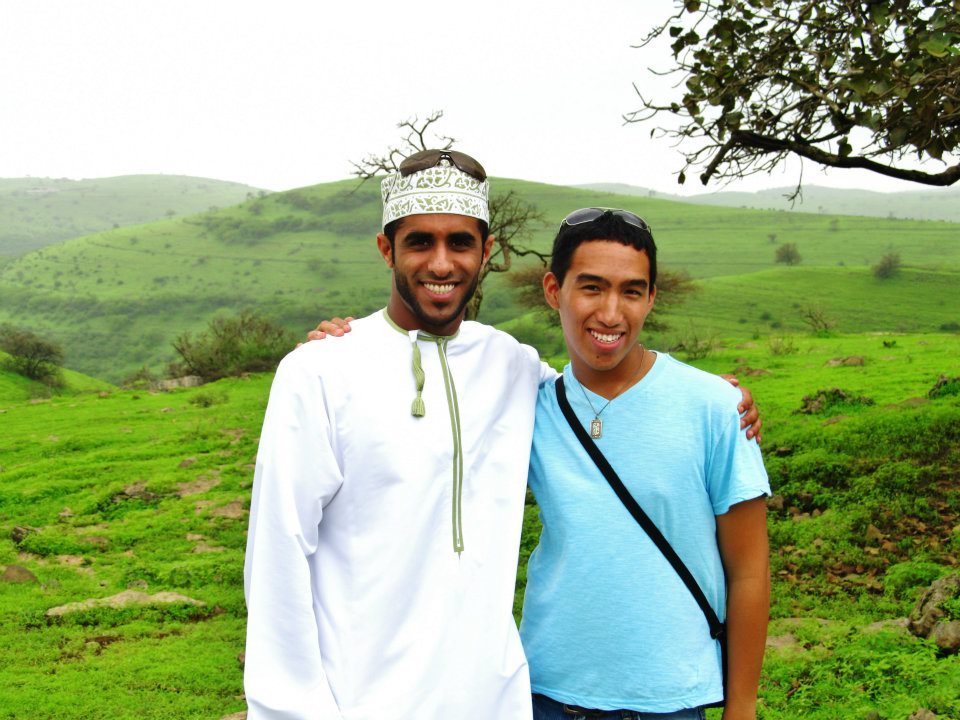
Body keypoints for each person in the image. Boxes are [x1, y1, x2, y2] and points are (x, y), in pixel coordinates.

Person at [247, 150, 761, 720]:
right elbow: (278, 555)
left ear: (486, 253)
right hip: (359, 700)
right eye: (419, 242)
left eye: (460, 243)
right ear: (386, 249)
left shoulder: (512, 367)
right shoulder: (321, 372)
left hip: (494, 700)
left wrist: (717, 397)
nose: (441, 263)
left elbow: (606, 386)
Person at [520, 208, 770, 720]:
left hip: (671, 699)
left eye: (631, 291)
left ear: (652, 297)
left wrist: (741, 709)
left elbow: (749, 570)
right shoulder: (525, 405)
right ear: (553, 290)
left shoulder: (714, 408)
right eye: (591, 288)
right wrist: (337, 344)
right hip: (544, 692)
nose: (611, 314)